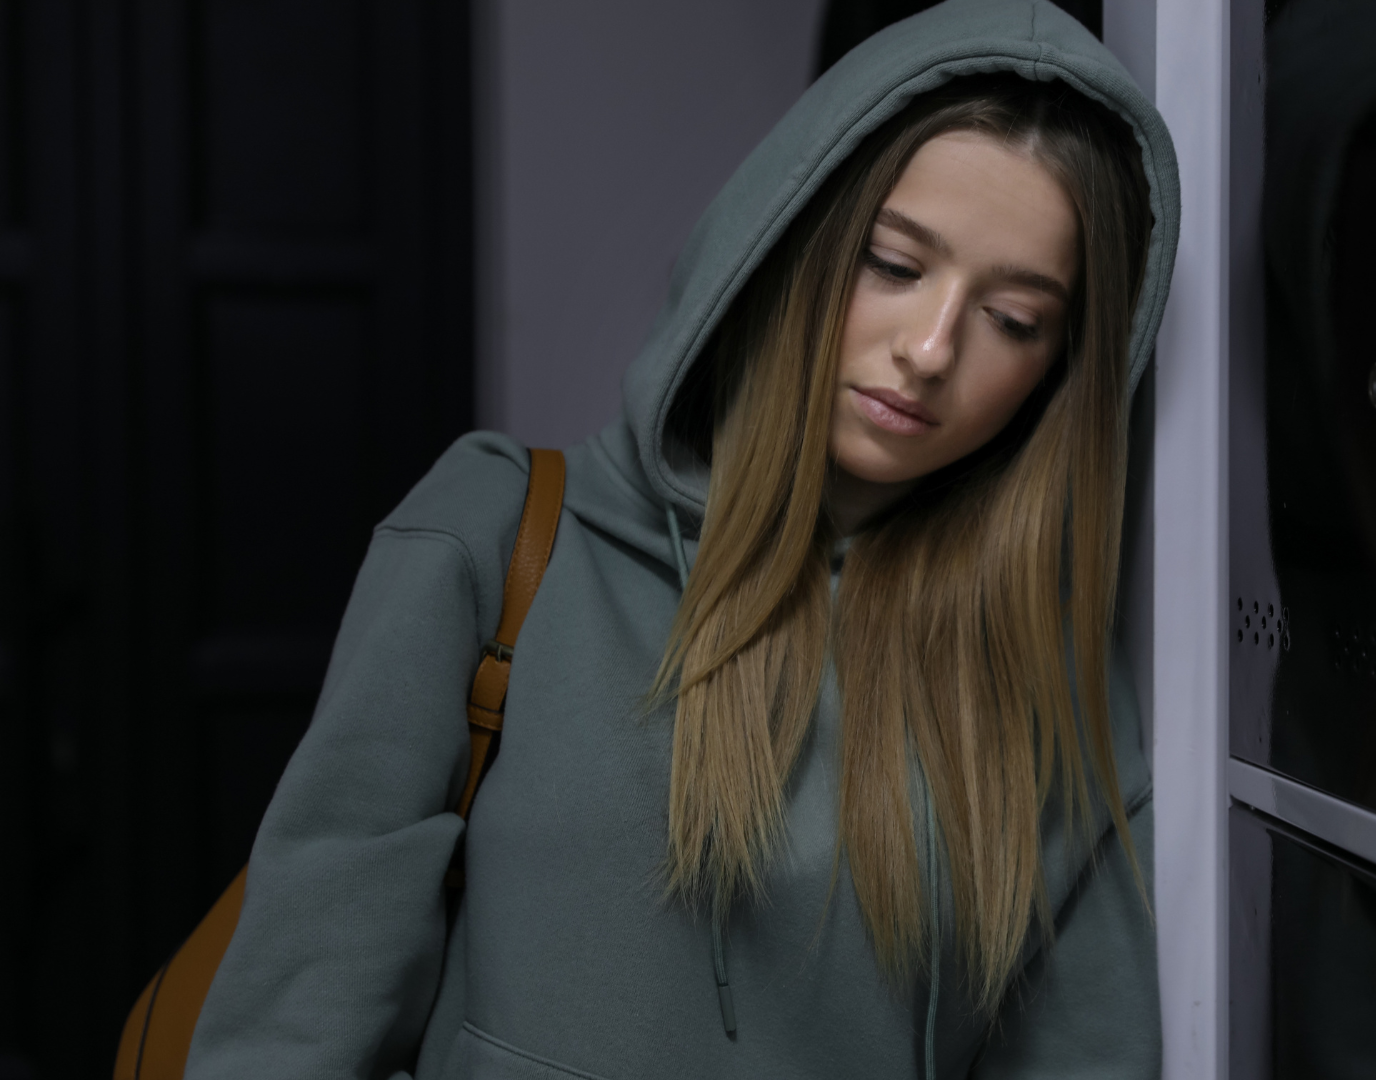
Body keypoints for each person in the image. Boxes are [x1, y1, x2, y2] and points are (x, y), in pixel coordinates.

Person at [180, 2, 1179, 1078]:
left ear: (1061, 375)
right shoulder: (503, 539)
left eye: (1015, 319)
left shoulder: (1051, 688)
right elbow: (295, 1013)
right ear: (790, 237)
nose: (931, 350)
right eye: (894, 265)